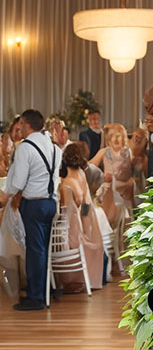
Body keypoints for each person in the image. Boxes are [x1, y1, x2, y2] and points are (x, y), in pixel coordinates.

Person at [1, 109, 61, 310]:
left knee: (35, 251)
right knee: (43, 249)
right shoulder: (54, 148)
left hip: (33, 204)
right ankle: (44, 291)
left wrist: (5, 196)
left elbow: (17, 181)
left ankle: (36, 298)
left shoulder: (25, 148)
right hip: (51, 203)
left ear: (26, 125)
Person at [58, 143, 105, 291]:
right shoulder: (82, 175)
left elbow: (70, 206)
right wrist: (87, 227)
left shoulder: (65, 182)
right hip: (85, 217)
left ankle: (68, 281)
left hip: (71, 222)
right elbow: (85, 203)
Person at [128, 127, 148, 202]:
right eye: (136, 137)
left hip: (137, 193)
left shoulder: (144, 159)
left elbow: (147, 179)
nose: (137, 139)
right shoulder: (124, 150)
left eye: (140, 139)